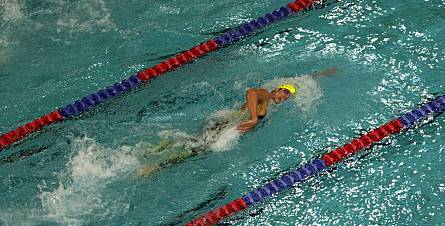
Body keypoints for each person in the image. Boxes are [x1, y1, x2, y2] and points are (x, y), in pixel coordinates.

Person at [136, 68, 336, 176]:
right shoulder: (266, 95)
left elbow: (299, 82)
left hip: (225, 127)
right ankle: (155, 167)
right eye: (284, 91)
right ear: (277, 90)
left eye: (288, 95)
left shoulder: (271, 102)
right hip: (224, 127)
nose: (285, 96)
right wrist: (254, 117)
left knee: (192, 143)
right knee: (193, 149)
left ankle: (151, 152)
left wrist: (319, 75)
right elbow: (251, 92)